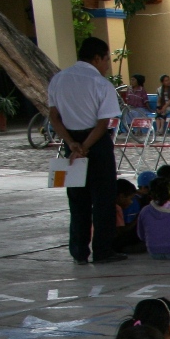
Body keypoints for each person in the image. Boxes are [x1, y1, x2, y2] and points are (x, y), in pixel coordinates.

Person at [48, 36, 124, 265]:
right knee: (103, 199)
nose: (107, 65)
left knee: (77, 199)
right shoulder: (101, 84)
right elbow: (103, 123)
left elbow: (54, 117)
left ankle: (79, 250)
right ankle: (102, 250)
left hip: (71, 142)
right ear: (97, 57)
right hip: (96, 142)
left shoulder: (58, 79)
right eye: (106, 59)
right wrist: (85, 147)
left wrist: (72, 144)